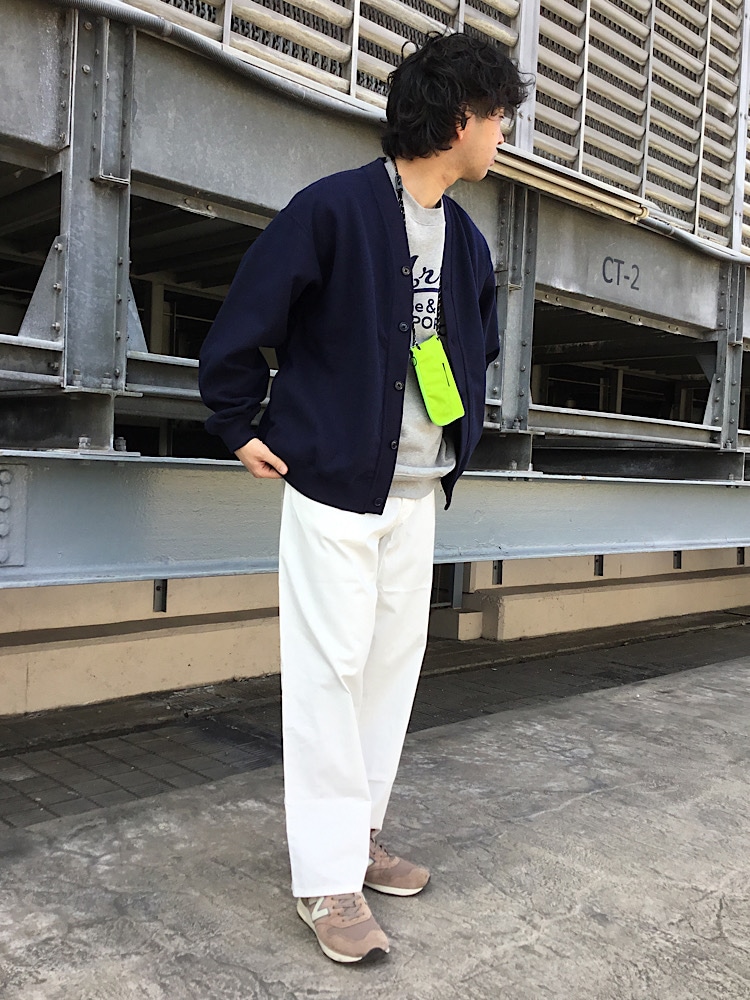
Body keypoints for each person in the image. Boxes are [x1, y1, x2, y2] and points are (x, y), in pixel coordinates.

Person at [199, 32, 528, 964]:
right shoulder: (335, 209)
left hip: (417, 494)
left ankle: (360, 836)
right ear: (459, 119)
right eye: (498, 116)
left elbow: (476, 345)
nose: (503, 133)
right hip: (336, 487)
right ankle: (326, 880)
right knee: (328, 679)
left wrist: (453, 435)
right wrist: (236, 420)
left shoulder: (466, 241)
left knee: (388, 675)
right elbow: (248, 315)